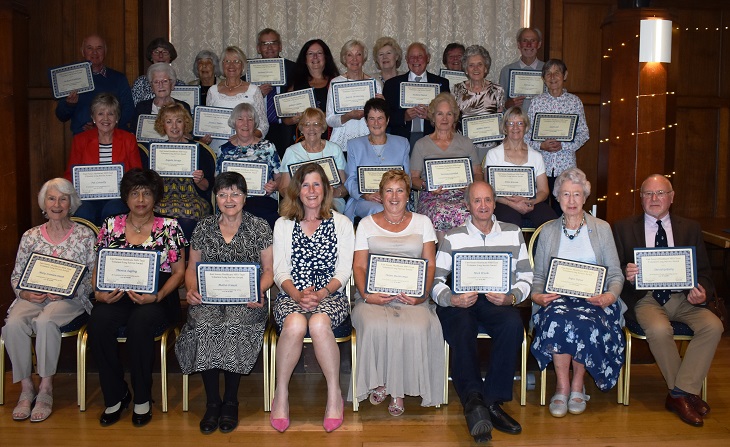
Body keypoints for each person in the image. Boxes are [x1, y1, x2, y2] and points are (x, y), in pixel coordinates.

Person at [613, 174, 723, 427]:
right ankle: (685, 394)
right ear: (640, 198)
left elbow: (705, 272)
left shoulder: (690, 227)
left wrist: (702, 290)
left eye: (660, 193)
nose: (654, 199)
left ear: (671, 198)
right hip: (646, 298)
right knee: (660, 329)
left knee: (713, 326)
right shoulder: (622, 227)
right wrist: (627, 273)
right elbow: (614, 268)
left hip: (683, 297)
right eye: (648, 194)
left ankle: (679, 392)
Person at [175, 172, 274, 434]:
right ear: (215, 197)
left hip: (247, 301)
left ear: (245, 197)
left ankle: (230, 401)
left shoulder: (259, 226)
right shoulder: (203, 227)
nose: (229, 199)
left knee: (233, 324)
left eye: (235, 193)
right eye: (222, 194)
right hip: (209, 299)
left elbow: (269, 271)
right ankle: (212, 402)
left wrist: (256, 291)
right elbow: (192, 266)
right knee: (205, 323)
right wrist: (192, 288)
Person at [432, 181, 531, 442]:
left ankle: (492, 400)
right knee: (462, 326)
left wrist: (511, 296)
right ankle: (474, 400)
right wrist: (451, 299)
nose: (483, 205)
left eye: (488, 200)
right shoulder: (453, 236)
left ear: (495, 202)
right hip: (461, 300)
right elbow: (435, 281)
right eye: (477, 200)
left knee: (512, 324)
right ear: (467, 205)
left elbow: (526, 276)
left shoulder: (513, 232)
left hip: (497, 300)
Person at [87, 168, 186, 427]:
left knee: (140, 323)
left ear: (156, 197)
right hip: (117, 293)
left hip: (157, 296)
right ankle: (115, 395)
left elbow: (179, 273)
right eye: (134, 193)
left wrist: (158, 295)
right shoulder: (110, 225)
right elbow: (99, 263)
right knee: (98, 319)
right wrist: (98, 291)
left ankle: (142, 397)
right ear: (126, 197)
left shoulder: (170, 227)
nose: (140, 199)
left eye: (146, 193)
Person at [530, 168, 625, 418]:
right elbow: (538, 277)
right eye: (565, 195)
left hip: (595, 300)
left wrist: (609, 297)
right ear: (557, 198)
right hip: (556, 300)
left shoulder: (602, 228)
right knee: (558, 318)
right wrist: (537, 296)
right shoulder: (548, 231)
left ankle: (577, 385)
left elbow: (615, 274)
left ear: (585, 198)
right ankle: (562, 386)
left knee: (584, 321)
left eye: (577, 194)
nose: (571, 201)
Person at [2, 178, 96, 423]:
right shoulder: (31, 236)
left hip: (69, 299)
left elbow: (93, 276)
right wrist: (24, 293)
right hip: (33, 297)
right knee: (13, 324)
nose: (57, 204)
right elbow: (17, 275)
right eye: (52, 198)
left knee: (46, 321)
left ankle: (45, 388)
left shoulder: (85, 235)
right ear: (44, 203)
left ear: (71, 203)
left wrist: (70, 290)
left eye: (63, 199)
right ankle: (26, 387)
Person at [270, 163, 354, 433]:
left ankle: (334, 395)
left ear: (326, 189)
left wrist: (320, 293)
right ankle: (280, 394)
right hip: (290, 293)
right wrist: (296, 294)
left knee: (318, 323)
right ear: (297, 190)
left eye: (317, 184)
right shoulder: (283, 224)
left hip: (331, 294)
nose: (311, 190)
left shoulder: (341, 223)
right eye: (305, 184)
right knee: (294, 323)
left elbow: (344, 270)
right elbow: (280, 269)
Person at [350, 169, 443, 416]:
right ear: (380, 195)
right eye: (389, 190)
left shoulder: (423, 222)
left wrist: (422, 296)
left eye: (400, 190)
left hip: (413, 298)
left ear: (408, 194)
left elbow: (430, 264)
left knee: (416, 326)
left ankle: (398, 391)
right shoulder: (366, 224)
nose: (394, 196)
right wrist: (367, 295)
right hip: (372, 297)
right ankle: (381, 382)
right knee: (374, 325)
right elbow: (359, 265)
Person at [410, 93, 483, 242]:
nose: (444, 118)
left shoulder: (466, 143)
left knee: (469, 211)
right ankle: (443, 257)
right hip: (432, 196)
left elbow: (478, 173)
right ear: (432, 116)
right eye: (440, 114)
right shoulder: (421, 144)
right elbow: (413, 179)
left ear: (454, 116)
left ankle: (465, 256)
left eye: (449, 114)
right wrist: (426, 186)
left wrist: (471, 187)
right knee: (439, 212)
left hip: (462, 195)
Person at [64, 92, 142, 226]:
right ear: (93, 117)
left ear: (117, 117)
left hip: (118, 196)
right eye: (100, 113)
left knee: (113, 210)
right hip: (87, 197)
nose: (105, 118)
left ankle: (108, 246)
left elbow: (137, 173)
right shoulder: (80, 140)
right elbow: (71, 174)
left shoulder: (128, 139)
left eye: (110, 114)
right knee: (83, 212)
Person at [526, 59, 589, 215]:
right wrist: (541, 145)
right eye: (548, 73)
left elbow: (584, 133)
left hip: (565, 167)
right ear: (543, 78)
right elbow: (525, 134)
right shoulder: (536, 103)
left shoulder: (574, 102)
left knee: (564, 212)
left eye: (557, 73)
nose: (552, 77)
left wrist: (564, 145)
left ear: (565, 75)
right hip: (541, 167)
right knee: (540, 212)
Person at [483, 106, 556, 228]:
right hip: (503, 203)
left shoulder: (536, 156)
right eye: (511, 123)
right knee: (511, 224)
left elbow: (544, 191)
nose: (515, 127)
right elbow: (489, 191)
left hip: (531, 202)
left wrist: (529, 201)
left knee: (550, 222)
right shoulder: (493, 154)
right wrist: (512, 203)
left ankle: (538, 248)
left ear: (526, 127)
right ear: (505, 127)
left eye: (520, 123)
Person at [149, 103, 214, 239]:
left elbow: (207, 186)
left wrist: (199, 180)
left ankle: (185, 258)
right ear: (162, 125)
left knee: (188, 214)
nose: (174, 127)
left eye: (179, 121)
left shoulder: (199, 150)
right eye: (169, 122)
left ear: (185, 124)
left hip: (193, 198)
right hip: (163, 198)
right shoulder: (156, 151)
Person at [343, 97, 410, 221]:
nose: (376, 123)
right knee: (380, 210)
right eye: (372, 119)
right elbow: (350, 180)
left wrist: (393, 196)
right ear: (366, 121)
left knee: (392, 207)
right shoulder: (354, 145)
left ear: (387, 120)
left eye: (380, 118)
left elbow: (407, 178)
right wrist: (366, 195)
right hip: (363, 200)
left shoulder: (402, 143)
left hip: (395, 198)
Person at [216, 102, 281, 229]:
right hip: (232, 202)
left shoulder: (268, 147)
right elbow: (218, 183)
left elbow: (280, 177)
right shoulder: (223, 150)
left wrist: (274, 185)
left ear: (255, 124)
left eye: (250, 119)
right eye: (240, 119)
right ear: (234, 123)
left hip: (262, 200)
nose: (245, 124)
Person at [55, 34, 135, 135]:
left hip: (114, 138)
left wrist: (104, 126)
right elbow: (61, 116)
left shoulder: (119, 79)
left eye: (99, 48)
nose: (94, 52)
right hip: (83, 141)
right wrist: (70, 104)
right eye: (89, 48)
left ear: (105, 52)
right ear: (83, 52)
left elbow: (129, 111)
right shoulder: (72, 80)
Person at [384, 42, 451, 150]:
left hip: (433, 139)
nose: (415, 60)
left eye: (420, 56)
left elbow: (450, 116)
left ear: (427, 58)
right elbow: (385, 116)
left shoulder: (441, 83)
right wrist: (403, 117)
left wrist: (432, 116)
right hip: (401, 140)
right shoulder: (392, 84)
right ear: (406, 59)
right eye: (412, 57)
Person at [279, 107, 348, 212]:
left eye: (316, 124)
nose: (311, 129)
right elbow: (283, 188)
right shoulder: (291, 152)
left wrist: (335, 192)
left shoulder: (335, 149)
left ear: (323, 128)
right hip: (300, 200)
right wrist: (298, 194)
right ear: (301, 129)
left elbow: (345, 186)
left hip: (330, 199)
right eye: (307, 124)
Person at [325, 39, 384, 152]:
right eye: (349, 55)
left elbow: (382, 119)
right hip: (341, 144)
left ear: (364, 58)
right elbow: (329, 120)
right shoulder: (335, 83)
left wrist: (383, 106)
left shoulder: (374, 84)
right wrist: (348, 116)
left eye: (358, 54)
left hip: (369, 143)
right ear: (344, 58)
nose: (354, 59)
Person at [207, 46, 268, 152]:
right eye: (227, 61)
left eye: (236, 61)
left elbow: (263, 125)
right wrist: (205, 135)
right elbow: (207, 122)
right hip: (218, 150)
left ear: (242, 65)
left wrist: (244, 138)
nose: (231, 65)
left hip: (247, 150)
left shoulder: (253, 91)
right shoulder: (212, 91)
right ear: (222, 65)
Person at [453, 45, 505, 161]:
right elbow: (454, 120)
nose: (476, 69)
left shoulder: (497, 90)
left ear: (486, 68)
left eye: (480, 64)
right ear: (466, 69)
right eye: (471, 65)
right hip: (464, 146)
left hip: (490, 148)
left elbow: (501, 121)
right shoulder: (457, 90)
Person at [253, 28, 297, 158]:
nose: (269, 47)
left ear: (280, 46)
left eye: (273, 42)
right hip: (258, 130)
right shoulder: (249, 74)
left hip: (286, 129)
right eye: (264, 44)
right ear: (258, 48)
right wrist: (257, 95)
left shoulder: (294, 69)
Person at [284, 39, 340, 139]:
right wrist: (294, 119)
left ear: (326, 57)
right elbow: (286, 119)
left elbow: (341, 115)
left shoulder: (336, 82)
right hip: (303, 140)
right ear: (304, 59)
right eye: (310, 53)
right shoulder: (295, 83)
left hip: (331, 138)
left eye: (319, 53)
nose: (315, 57)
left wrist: (320, 116)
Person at [498, 27, 544, 112]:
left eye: (533, 41)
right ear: (519, 45)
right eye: (524, 41)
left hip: (540, 122)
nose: (529, 45)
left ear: (539, 44)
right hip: (515, 123)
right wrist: (507, 104)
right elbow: (499, 103)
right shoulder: (506, 71)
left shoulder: (547, 70)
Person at [131, 38, 185, 105]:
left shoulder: (180, 85)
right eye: (156, 52)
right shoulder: (140, 83)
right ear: (151, 56)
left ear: (170, 57)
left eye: (165, 52)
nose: (160, 56)